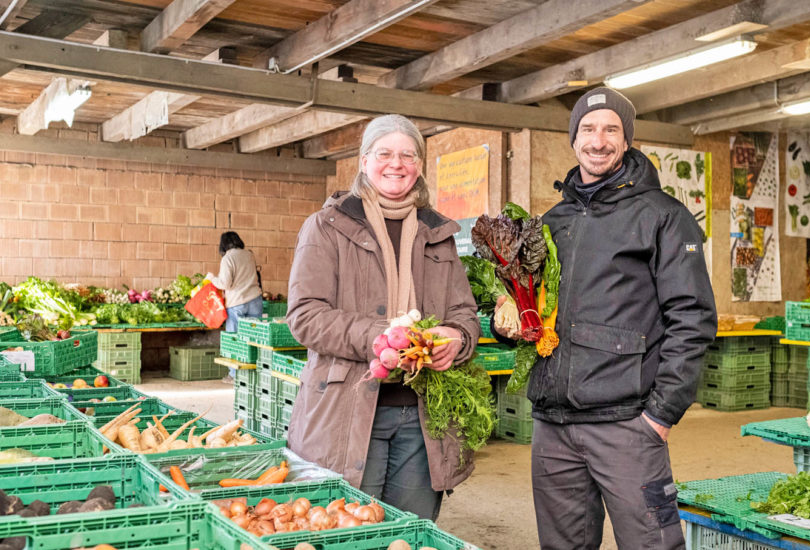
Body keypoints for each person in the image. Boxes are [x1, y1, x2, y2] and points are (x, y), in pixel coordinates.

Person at [494, 88, 717, 549]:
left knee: (652, 545)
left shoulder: (665, 217)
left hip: (627, 422)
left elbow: (692, 318)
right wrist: (505, 317)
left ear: (627, 139)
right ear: (573, 138)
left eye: (611, 129)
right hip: (553, 426)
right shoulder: (551, 222)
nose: (599, 140)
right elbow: (532, 308)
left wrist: (660, 414)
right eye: (589, 129)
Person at [285, 114, 480, 521]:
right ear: (363, 160)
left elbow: (464, 312)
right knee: (348, 528)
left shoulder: (438, 233)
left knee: (409, 531)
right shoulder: (326, 227)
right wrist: (384, 336)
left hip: (423, 416)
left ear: (420, 166)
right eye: (385, 153)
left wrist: (458, 338)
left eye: (408, 155)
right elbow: (305, 315)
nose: (397, 164)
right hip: (348, 408)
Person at [207, 231, 263, 383]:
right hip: (255, 300)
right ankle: (254, 372)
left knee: (235, 339)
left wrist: (212, 279)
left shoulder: (228, 258)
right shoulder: (249, 255)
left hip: (237, 302)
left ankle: (234, 375)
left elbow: (225, 283)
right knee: (254, 337)